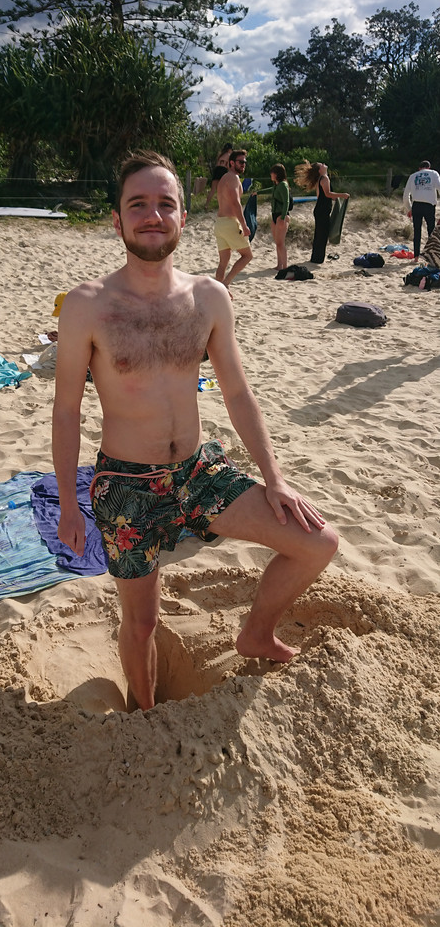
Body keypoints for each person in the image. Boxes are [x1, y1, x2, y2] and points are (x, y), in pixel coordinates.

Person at [52, 149, 339, 711]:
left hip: (198, 471)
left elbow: (237, 392)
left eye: (166, 204)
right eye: (138, 204)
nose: (152, 216)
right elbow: (66, 410)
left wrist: (274, 478)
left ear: (184, 217)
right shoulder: (87, 306)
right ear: (117, 219)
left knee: (317, 543)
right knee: (141, 624)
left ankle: (256, 633)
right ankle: (143, 711)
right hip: (126, 486)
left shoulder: (209, 296)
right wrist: (67, 502)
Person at [294, 160, 349, 264]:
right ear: (320, 170)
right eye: (322, 165)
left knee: (319, 234)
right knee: (322, 235)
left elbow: (323, 195)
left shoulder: (321, 178)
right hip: (322, 210)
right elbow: (328, 194)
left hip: (320, 209)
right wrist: (342, 195)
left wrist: (333, 198)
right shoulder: (324, 178)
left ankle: (315, 258)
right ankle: (318, 259)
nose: (324, 164)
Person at [214, 149, 253, 288]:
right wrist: (244, 224)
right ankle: (225, 284)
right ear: (231, 163)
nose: (243, 165)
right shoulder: (233, 178)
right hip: (229, 223)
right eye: (240, 162)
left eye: (244, 162)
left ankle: (218, 289)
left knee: (223, 262)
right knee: (247, 256)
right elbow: (235, 203)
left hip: (220, 223)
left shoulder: (224, 178)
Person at [253, 164, 291, 271]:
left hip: (281, 215)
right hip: (274, 215)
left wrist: (283, 218)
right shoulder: (276, 185)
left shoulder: (283, 185)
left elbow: (286, 202)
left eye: (272, 173)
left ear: (277, 174)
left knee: (280, 243)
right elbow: (270, 190)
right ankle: (279, 265)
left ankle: (285, 267)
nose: (271, 174)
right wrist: (258, 193)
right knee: (277, 243)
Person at [402, 161, 440, 258]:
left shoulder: (413, 176)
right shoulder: (434, 173)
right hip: (429, 205)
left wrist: (409, 208)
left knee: (417, 231)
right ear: (429, 167)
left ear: (419, 168)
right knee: (431, 231)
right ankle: (430, 256)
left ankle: (416, 257)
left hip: (416, 205)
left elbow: (406, 195)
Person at [205, 142, 233, 209]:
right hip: (223, 170)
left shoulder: (220, 155)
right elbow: (228, 166)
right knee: (223, 189)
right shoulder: (229, 155)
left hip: (217, 170)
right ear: (229, 149)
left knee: (213, 189)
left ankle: (206, 205)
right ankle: (223, 205)